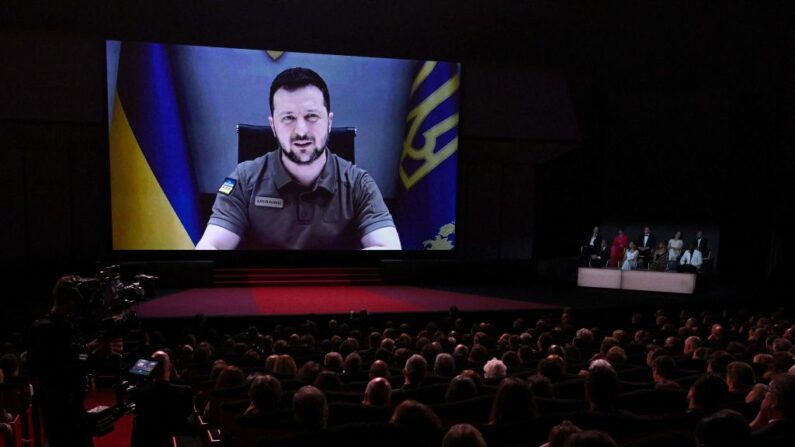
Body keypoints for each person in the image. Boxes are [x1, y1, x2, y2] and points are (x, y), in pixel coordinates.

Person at [196, 67, 401, 250]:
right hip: (264, 289)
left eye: (311, 116)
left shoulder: (359, 184)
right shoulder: (243, 180)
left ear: (329, 122)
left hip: (334, 290)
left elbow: (389, 247)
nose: (301, 131)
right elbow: (211, 245)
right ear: (273, 126)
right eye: (288, 118)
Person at [27, 276, 123, 447]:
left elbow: (71, 356)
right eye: (78, 298)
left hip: (74, 407)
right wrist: (95, 356)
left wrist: (92, 346)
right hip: (60, 411)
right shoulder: (44, 329)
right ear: (69, 299)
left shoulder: (66, 324)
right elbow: (60, 372)